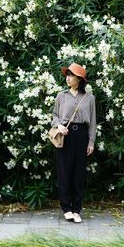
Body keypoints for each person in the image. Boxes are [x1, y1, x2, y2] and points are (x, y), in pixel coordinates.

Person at [51, 62, 96, 223]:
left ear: (80, 79)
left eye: (71, 75)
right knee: (64, 172)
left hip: (82, 136)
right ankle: (66, 208)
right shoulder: (61, 96)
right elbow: (55, 116)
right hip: (66, 136)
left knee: (79, 174)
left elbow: (92, 122)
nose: (68, 78)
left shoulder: (89, 98)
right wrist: (59, 126)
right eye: (67, 75)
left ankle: (77, 209)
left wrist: (91, 141)